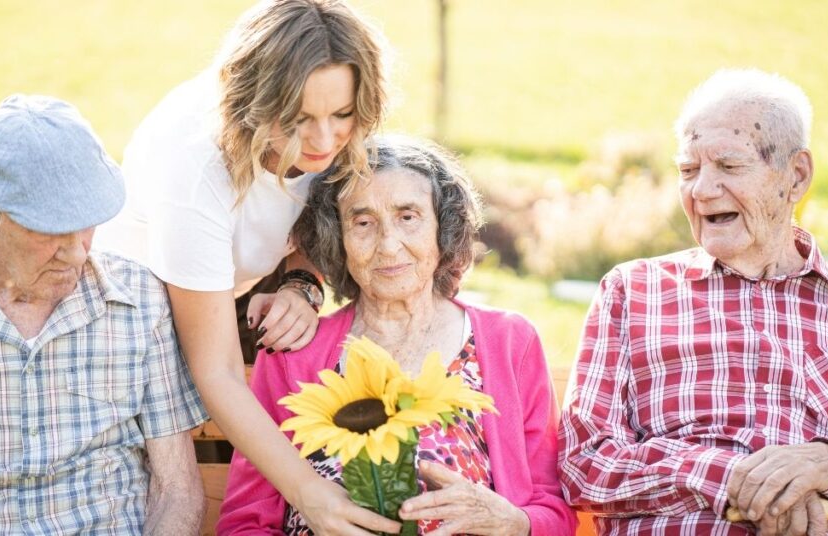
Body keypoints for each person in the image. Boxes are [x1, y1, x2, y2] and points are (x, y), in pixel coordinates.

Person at [558, 68, 828, 536]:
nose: (701, 190)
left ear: (796, 176)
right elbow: (584, 464)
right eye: (688, 170)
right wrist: (731, 477)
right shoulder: (633, 291)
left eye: (729, 166)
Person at [94, 1, 397, 532]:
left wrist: (304, 283)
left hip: (245, 277)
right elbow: (218, 371)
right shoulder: (195, 168)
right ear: (255, 105)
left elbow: (317, 213)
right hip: (146, 310)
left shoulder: (336, 127)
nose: (325, 141)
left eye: (342, 115)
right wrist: (311, 496)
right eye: (301, 120)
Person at [219, 136, 576, 535]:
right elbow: (244, 522)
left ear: (444, 228)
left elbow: (554, 513)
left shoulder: (509, 341)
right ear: (337, 238)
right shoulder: (293, 349)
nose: (388, 246)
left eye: (408, 217)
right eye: (363, 222)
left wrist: (511, 522)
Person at [0, 95, 208, 534]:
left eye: (87, 224)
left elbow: (177, 494)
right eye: (49, 230)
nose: (76, 253)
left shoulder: (139, 299)